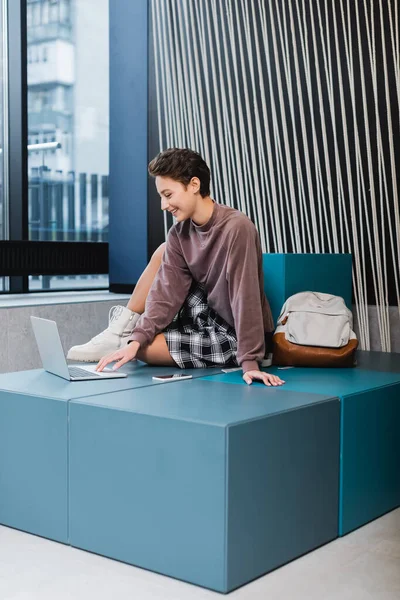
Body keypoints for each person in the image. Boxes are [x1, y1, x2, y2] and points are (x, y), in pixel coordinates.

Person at [68, 148, 284, 387]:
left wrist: (251, 362)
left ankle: (127, 337)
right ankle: (121, 332)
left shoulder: (237, 228)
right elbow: (165, 294)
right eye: (161, 196)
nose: (164, 205)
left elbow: (246, 298)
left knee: (143, 352)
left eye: (168, 194)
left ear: (193, 184)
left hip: (232, 330)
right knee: (136, 341)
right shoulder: (179, 234)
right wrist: (137, 339)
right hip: (204, 313)